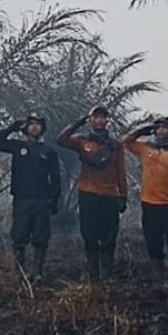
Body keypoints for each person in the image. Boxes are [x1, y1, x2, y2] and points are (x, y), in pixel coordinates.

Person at [56, 106, 128, 281]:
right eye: (96, 117)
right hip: (88, 194)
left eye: (103, 117)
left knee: (109, 237)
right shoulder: (82, 141)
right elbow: (61, 139)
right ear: (91, 120)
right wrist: (77, 123)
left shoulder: (115, 145)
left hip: (110, 195)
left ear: (107, 121)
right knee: (89, 235)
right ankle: (94, 275)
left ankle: (107, 275)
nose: (100, 120)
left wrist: (123, 196)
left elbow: (120, 171)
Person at [122, 117, 168, 289]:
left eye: (165, 128)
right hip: (149, 203)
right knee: (153, 243)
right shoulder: (145, 148)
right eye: (158, 128)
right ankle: (159, 280)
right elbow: (125, 141)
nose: (161, 131)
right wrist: (142, 130)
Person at [0, 114, 61, 278]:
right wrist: (11, 128)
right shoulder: (17, 146)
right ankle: (20, 271)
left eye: (38, 124)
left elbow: (55, 178)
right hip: (22, 198)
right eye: (31, 124)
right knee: (20, 236)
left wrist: (55, 199)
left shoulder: (49, 151)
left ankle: (37, 271)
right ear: (26, 128)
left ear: (43, 129)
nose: (34, 127)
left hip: (42, 199)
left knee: (41, 237)